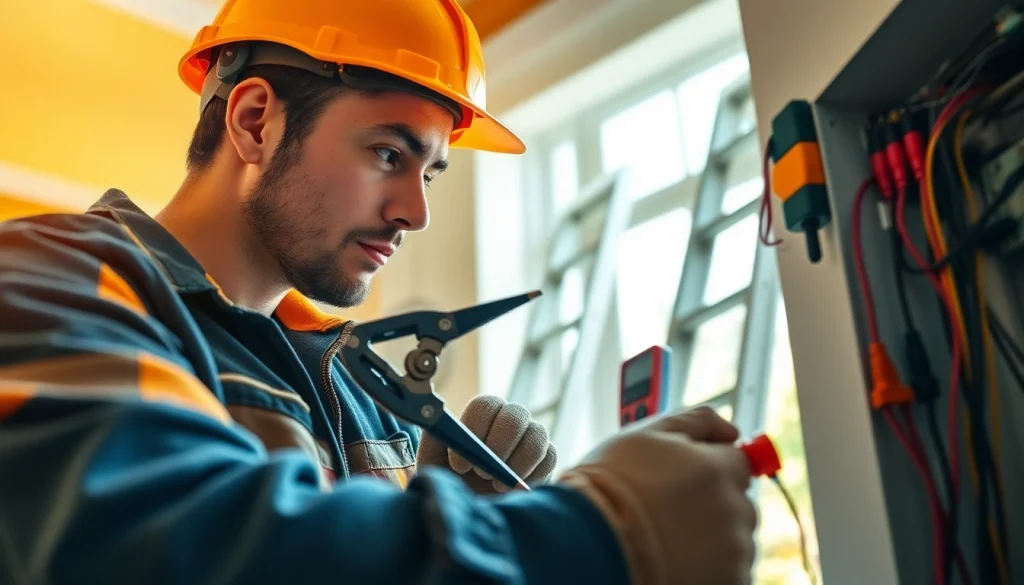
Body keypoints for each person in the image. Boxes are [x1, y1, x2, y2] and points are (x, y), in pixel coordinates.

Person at [0, 1, 758, 584]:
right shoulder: (47, 283)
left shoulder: (363, 388)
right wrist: (587, 535)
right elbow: (173, 548)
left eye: (430, 174)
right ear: (256, 121)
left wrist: (446, 519)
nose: (416, 212)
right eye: (389, 153)